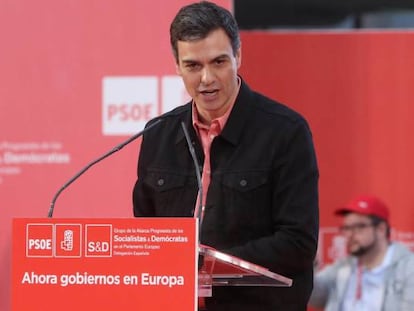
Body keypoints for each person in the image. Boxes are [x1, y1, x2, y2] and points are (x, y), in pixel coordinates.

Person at [132, 1, 319, 310]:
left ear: (238, 56)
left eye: (218, 62)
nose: (207, 78)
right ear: (177, 66)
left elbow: (297, 243)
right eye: (193, 66)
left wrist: (207, 264)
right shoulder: (159, 133)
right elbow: (144, 234)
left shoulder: (285, 131)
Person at [309, 195, 414, 311]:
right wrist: (308, 263)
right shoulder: (344, 265)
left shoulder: (408, 268)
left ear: (381, 229)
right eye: (346, 228)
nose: (349, 235)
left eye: (358, 227)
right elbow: (315, 296)